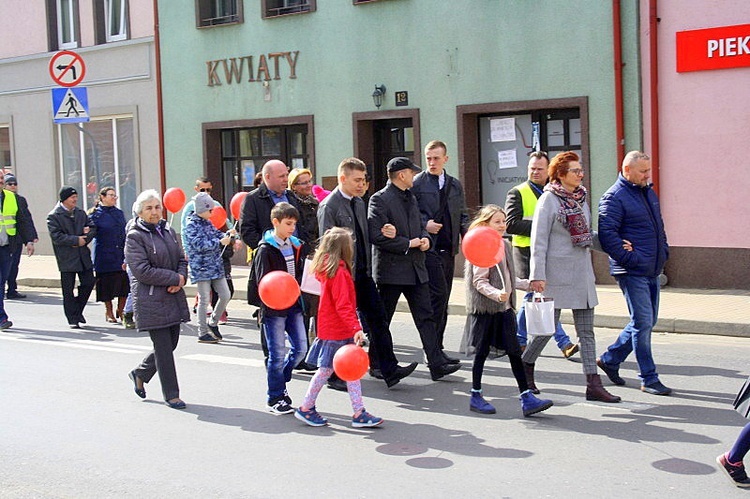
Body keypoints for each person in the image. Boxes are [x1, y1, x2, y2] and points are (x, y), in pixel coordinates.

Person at [522, 151, 622, 403]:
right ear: (561, 174)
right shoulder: (548, 200)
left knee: (586, 332)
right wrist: (537, 276)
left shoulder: (581, 198)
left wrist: (617, 245)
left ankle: (593, 385)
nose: (581, 174)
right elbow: (539, 241)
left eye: (581, 170)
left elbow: (587, 235)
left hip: (581, 274)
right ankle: (525, 367)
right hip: (554, 276)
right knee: (545, 331)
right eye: (575, 171)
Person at [317, 157, 418, 389]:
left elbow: (367, 235)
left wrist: (384, 229)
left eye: (364, 180)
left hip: (362, 273)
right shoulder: (330, 206)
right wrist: (337, 276)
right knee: (344, 327)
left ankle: (387, 368)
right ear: (343, 179)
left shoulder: (359, 202)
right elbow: (327, 245)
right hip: (342, 276)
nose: (362, 185)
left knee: (378, 319)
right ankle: (334, 375)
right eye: (357, 180)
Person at [368, 156, 461, 381]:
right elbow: (376, 236)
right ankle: (376, 363)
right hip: (391, 271)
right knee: (383, 319)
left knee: (426, 316)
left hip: (415, 268)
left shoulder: (410, 196)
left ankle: (436, 363)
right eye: (411, 172)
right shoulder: (379, 199)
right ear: (401, 175)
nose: (414, 176)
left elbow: (420, 225)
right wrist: (407, 243)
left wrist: (425, 238)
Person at [462, 204, 553, 417]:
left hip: (504, 309)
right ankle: (476, 395)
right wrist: (496, 294)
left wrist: (529, 284)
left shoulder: (503, 244)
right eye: (497, 222)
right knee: (481, 353)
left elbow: (509, 279)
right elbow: (479, 281)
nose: (503, 225)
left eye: (503, 221)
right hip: (486, 311)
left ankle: (526, 397)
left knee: (514, 352)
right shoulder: (481, 245)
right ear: (485, 225)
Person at [596, 151, 672, 396]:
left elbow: (658, 226)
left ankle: (610, 359)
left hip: (651, 267)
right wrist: (632, 259)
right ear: (627, 170)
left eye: (648, 170)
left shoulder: (647, 192)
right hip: (631, 270)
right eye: (643, 171)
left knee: (647, 321)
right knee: (642, 323)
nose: (647, 175)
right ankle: (648, 378)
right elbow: (608, 236)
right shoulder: (614, 197)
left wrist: (664, 251)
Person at [295, 227, 383, 428]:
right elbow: (343, 305)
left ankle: (357, 411)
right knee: (332, 371)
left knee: (343, 372)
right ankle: (308, 407)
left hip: (330, 327)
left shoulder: (326, 269)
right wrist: (356, 327)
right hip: (339, 330)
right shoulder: (340, 273)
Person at [505, 151, 578, 358]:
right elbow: (511, 224)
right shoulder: (517, 192)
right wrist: (543, 227)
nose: (535, 172)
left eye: (539, 169)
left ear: (548, 171)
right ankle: (563, 342)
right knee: (538, 295)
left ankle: (519, 339)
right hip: (526, 252)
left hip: (551, 252)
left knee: (537, 297)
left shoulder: (555, 192)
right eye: (532, 168)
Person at [126, 189, 191, 409]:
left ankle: (141, 372)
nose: (155, 212)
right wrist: (173, 277)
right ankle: (172, 394)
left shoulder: (169, 230)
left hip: (172, 295)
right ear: (140, 212)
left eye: (157, 207)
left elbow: (182, 258)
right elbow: (141, 270)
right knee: (164, 348)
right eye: (149, 208)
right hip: (151, 298)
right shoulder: (135, 236)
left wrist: (181, 277)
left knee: (171, 343)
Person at [412, 140, 468, 361]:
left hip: (448, 248)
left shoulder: (454, 185)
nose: (432, 162)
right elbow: (411, 212)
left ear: (446, 159)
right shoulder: (418, 183)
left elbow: (462, 213)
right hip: (428, 249)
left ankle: (438, 346)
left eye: (436, 158)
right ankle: (432, 350)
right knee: (434, 298)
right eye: (428, 158)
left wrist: (468, 236)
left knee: (443, 299)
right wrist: (425, 225)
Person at [253, 202, 310, 414]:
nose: (292, 227)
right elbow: (262, 281)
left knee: (301, 348)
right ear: (275, 222)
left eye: (294, 223)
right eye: (288, 223)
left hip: (294, 303)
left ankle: (281, 376)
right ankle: (275, 397)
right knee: (276, 354)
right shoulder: (266, 249)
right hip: (274, 308)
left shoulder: (296, 245)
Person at [182, 192, 235, 344]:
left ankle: (212, 323)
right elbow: (198, 245)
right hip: (201, 267)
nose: (212, 213)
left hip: (215, 265)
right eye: (210, 210)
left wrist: (228, 235)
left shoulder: (207, 222)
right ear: (202, 209)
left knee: (225, 294)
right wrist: (219, 243)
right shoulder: (191, 224)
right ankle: (202, 331)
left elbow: (216, 234)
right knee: (204, 299)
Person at [47, 186, 96, 329]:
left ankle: (77, 309)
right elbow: (57, 236)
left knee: (89, 282)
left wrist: (85, 238)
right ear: (64, 199)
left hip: (82, 255)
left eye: (76, 197)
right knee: (68, 290)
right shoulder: (54, 216)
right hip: (66, 257)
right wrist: (75, 240)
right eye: (72, 197)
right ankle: (72, 318)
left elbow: (92, 228)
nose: (75, 199)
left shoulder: (80, 213)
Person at [288, 167, 321, 372]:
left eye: (309, 181)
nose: (308, 185)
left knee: (317, 308)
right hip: (302, 261)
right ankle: (302, 352)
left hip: (317, 259)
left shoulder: (316, 204)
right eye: (303, 182)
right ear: (294, 186)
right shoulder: (293, 206)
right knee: (305, 309)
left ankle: (314, 352)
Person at [89, 187, 130, 324]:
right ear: (102, 197)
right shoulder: (95, 214)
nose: (114, 198)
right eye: (111, 195)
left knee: (124, 284)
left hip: (120, 253)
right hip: (104, 254)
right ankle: (109, 311)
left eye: (115, 196)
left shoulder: (118, 213)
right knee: (106, 285)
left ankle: (121, 309)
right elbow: (90, 233)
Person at [0, 174, 36, 329]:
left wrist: (29, 240)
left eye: (2, 180)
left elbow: (22, 220)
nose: (1, 182)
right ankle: (1, 318)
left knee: (2, 281)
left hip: (7, 246)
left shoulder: (11, 197)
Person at [4, 173, 38, 300]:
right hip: (3, 239)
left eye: (15, 184)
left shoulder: (20, 200)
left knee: (13, 265)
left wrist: (30, 238)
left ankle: (12, 289)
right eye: (10, 184)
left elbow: (26, 219)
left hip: (16, 238)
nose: (13, 186)